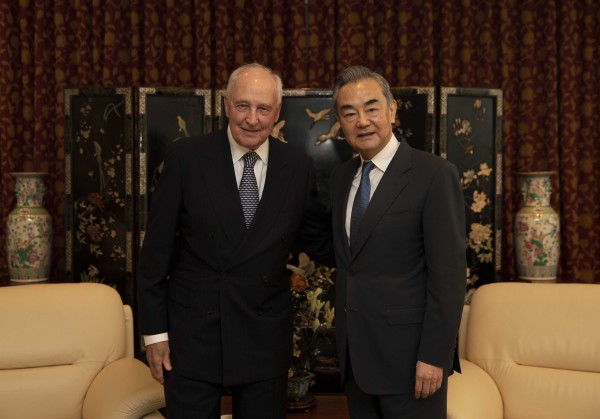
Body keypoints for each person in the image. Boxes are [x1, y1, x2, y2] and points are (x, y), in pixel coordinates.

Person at [136, 63, 331, 419]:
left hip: (264, 337)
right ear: (226, 105)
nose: (252, 119)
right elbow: (154, 256)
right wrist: (155, 335)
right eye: (243, 106)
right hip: (192, 336)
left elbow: (320, 241)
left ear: (277, 112)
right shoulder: (187, 158)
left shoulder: (297, 167)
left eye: (263, 109)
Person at [329, 65, 466, 418]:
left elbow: (449, 278)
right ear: (340, 123)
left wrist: (434, 356)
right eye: (349, 113)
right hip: (356, 361)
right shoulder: (341, 178)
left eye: (371, 108)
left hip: (412, 365)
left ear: (392, 110)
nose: (362, 121)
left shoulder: (434, 175)